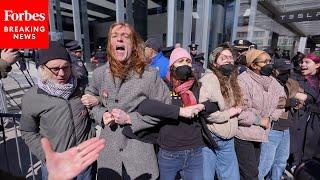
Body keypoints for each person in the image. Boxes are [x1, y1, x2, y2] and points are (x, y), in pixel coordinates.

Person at [85, 22, 170, 179]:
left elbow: (165, 107)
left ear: (134, 44)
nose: (120, 40)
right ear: (110, 44)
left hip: (140, 157)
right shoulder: (99, 74)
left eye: (125, 36)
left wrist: (131, 118)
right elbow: (89, 97)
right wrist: (100, 115)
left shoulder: (149, 75)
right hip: (109, 158)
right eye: (115, 36)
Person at [20, 41, 95, 180]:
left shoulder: (82, 87)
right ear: (43, 68)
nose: (61, 73)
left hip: (85, 163)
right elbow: (28, 131)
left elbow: (94, 113)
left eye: (65, 67)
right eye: (55, 69)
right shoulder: (32, 97)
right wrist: (46, 156)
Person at [235, 49, 286, 180]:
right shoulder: (242, 81)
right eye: (265, 61)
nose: (270, 64)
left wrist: (270, 117)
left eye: (270, 61)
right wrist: (259, 120)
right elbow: (240, 111)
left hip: (261, 133)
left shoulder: (272, 81)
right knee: (251, 175)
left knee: (251, 172)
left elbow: (282, 102)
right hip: (243, 135)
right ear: (254, 65)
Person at [258, 58, 307, 180]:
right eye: (283, 71)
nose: (286, 74)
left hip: (286, 128)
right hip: (272, 126)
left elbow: (302, 98)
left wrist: (294, 101)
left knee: (280, 162)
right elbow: (268, 101)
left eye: (288, 71)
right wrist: (288, 101)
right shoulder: (266, 81)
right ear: (274, 70)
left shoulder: (291, 82)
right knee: (265, 163)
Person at [200, 44, 243, 179]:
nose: (228, 60)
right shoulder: (210, 79)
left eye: (230, 57)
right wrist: (229, 114)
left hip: (226, 139)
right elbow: (205, 111)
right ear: (214, 62)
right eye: (223, 57)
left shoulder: (230, 79)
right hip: (213, 137)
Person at [292, 53, 320, 167]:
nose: (302, 64)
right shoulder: (295, 78)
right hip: (299, 121)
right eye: (302, 62)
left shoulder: (318, 82)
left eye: (307, 62)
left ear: (317, 65)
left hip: (315, 123)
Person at [41, 137, 105, 180]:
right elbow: (31, 132)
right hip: (57, 163)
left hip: (84, 159)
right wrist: (45, 155)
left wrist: (101, 118)